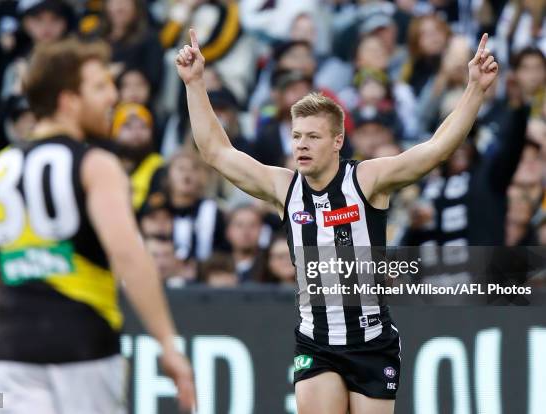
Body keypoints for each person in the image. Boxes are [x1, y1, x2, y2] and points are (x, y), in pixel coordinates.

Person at [176, 28, 497, 413]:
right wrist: (195, 83)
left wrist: (475, 89)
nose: (301, 146)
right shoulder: (284, 187)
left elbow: (436, 149)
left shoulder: (368, 180)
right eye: (296, 137)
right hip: (316, 343)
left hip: (372, 342)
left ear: (337, 141)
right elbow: (216, 151)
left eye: (313, 137)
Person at [0, 38, 195, 413]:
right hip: (85, 351)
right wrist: (168, 345)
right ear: (68, 100)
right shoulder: (96, 164)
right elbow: (129, 255)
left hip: (12, 357)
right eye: (100, 86)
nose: (112, 96)